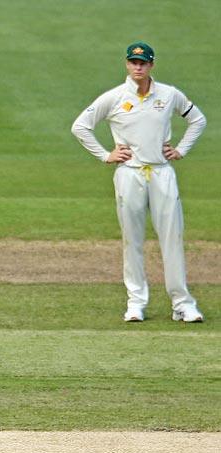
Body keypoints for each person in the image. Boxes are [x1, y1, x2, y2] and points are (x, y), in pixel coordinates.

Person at [71, 42, 207, 323]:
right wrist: (105, 155)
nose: (138, 67)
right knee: (132, 239)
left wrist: (181, 149)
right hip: (129, 173)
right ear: (126, 64)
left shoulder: (168, 95)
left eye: (143, 63)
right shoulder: (115, 97)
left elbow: (198, 120)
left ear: (151, 65)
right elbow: (80, 127)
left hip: (162, 172)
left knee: (172, 238)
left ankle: (182, 304)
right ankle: (136, 302)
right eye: (133, 62)